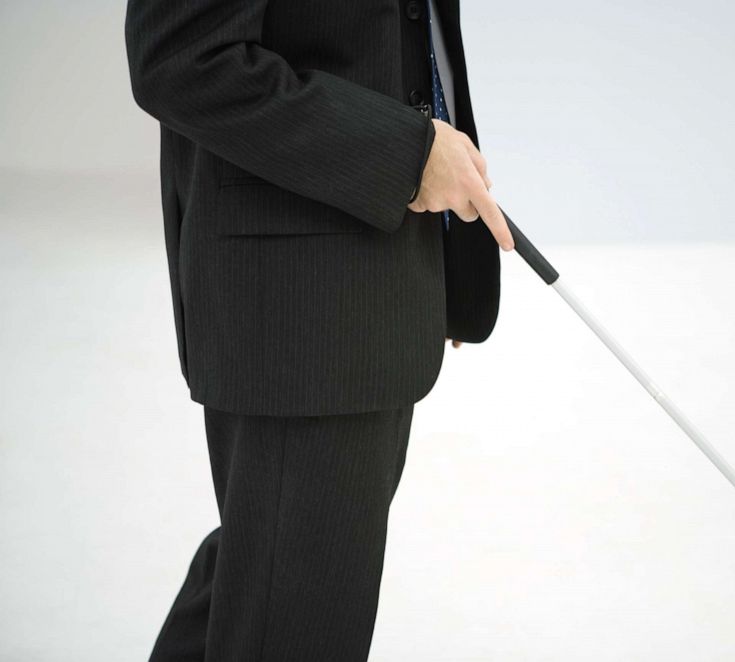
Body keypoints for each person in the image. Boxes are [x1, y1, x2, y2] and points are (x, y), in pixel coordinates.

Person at [123, 0, 512, 659]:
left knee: (265, 587)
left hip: (374, 284)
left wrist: (443, 250)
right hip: (300, 310)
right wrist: (404, 156)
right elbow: (181, 61)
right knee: (288, 607)